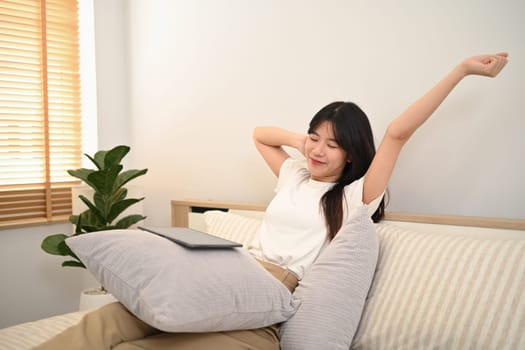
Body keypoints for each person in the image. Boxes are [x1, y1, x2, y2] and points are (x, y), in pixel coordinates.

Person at [34, 52, 508, 350]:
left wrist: (461, 71)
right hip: (230, 269)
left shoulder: (353, 197)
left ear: (352, 153)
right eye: (314, 138)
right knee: (114, 318)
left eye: (333, 144)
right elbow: (260, 135)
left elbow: (397, 133)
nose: (319, 150)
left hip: (273, 294)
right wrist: (303, 143)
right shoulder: (294, 174)